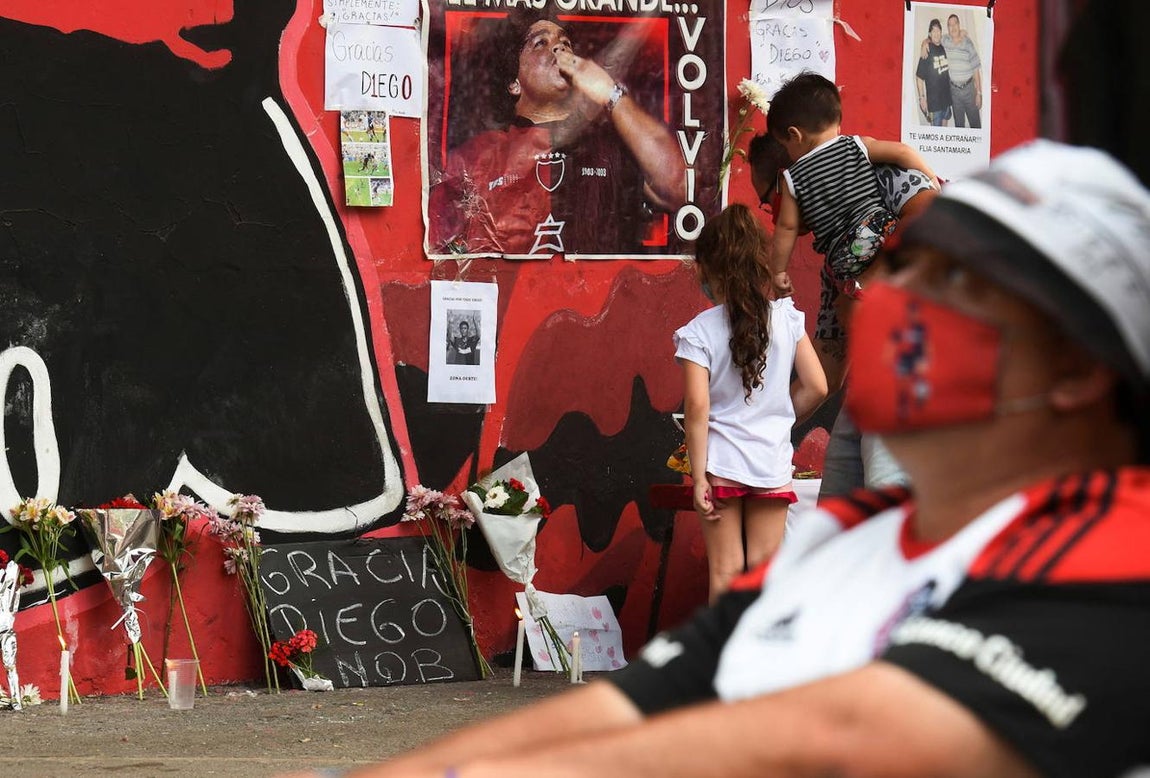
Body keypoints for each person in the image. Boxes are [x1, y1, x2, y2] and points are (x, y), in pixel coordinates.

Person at [289, 139, 1150, 778]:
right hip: (767, 466)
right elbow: (634, 702)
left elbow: (840, 737)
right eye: (902, 266)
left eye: (958, 281)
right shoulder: (847, 538)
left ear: (1076, 365)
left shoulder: (1119, 560)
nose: (897, 300)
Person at [762, 74, 939, 495]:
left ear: (793, 140)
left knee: (885, 494)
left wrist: (861, 283)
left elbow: (937, 214)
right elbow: (825, 372)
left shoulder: (887, 181)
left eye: (765, 199)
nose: (772, 214)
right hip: (869, 383)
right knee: (839, 500)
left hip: (911, 376)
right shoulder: (834, 270)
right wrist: (757, 422)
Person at [426, 10, 686, 257]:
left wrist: (608, 91)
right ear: (514, 83)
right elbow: (443, 247)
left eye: (566, 43)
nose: (560, 48)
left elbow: (676, 187)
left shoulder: (612, 143)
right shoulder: (478, 155)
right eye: (540, 43)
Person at [674, 204, 826, 601]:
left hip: (721, 461)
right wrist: (776, 416)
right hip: (771, 462)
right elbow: (817, 387)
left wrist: (700, 477)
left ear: (708, 267)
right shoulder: (787, 319)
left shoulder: (697, 332)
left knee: (725, 571)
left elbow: (697, 409)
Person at [941, 13, 982, 129]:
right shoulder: (945, 41)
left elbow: (976, 69)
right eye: (950, 25)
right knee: (959, 125)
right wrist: (924, 43)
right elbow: (933, 37)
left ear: (959, 25)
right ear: (947, 28)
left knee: (975, 125)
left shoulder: (968, 43)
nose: (953, 27)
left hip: (969, 90)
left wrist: (979, 93)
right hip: (954, 91)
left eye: (955, 24)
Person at [916, 18, 953, 126]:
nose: (936, 33)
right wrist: (922, 98)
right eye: (933, 31)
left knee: (945, 128)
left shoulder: (943, 47)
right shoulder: (927, 50)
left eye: (938, 30)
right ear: (930, 34)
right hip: (934, 104)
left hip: (946, 100)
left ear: (941, 32)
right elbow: (919, 77)